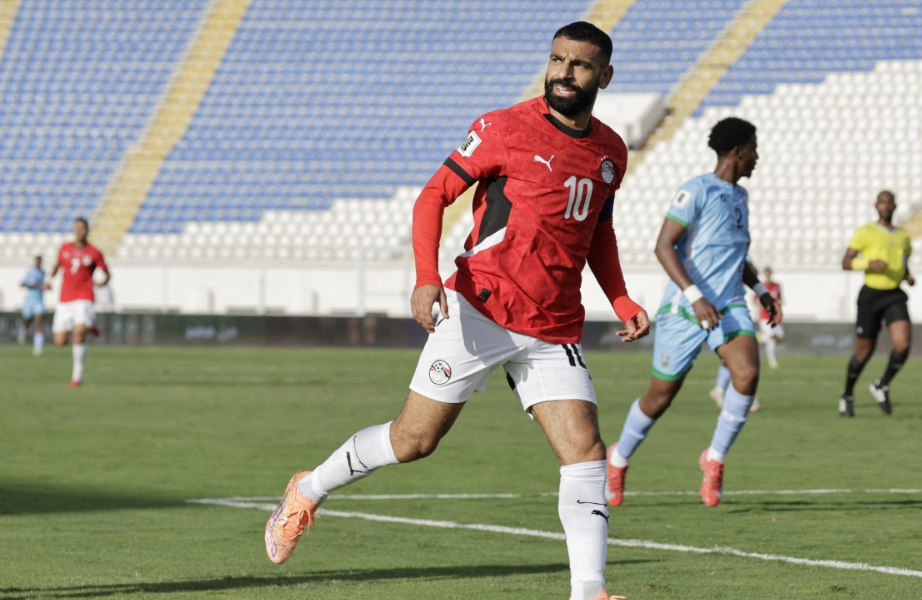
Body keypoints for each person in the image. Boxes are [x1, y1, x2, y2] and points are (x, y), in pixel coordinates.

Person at [264, 22, 648, 600]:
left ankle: (588, 591)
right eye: (557, 60)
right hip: (479, 308)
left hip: (553, 325)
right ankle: (307, 490)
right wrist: (426, 277)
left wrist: (620, 298)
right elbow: (432, 196)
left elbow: (598, 231)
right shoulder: (503, 127)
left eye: (580, 65)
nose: (564, 73)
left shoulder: (610, 151)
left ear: (605, 76)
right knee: (413, 441)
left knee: (585, 453)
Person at [605, 117, 781, 509]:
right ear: (737, 151)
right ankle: (618, 459)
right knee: (659, 398)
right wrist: (696, 296)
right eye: (754, 149)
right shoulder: (696, 190)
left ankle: (714, 459)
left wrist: (760, 291)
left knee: (747, 374)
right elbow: (663, 246)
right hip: (686, 309)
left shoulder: (741, 196)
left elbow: (735, 256)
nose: (757, 157)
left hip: (729, 303)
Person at [838, 190, 913, 417]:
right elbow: (846, 262)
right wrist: (869, 263)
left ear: (895, 206)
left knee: (903, 344)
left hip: (894, 294)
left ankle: (882, 384)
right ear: (876, 205)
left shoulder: (904, 237)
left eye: (889, 202)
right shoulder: (866, 232)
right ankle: (847, 394)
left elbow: (903, 262)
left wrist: (908, 275)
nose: (886, 205)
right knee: (864, 351)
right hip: (871, 294)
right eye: (882, 202)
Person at [51, 217, 110, 387]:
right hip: (65, 299)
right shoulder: (64, 248)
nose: (79, 231)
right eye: (77, 228)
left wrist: (102, 283)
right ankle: (89, 325)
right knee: (60, 342)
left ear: (87, 230)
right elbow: (57, 266)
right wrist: (49, 279)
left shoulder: (94, 252)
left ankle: (76, 377)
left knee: (78, 334)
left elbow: (107, 273)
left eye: (82, 228)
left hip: (84, 297)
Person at [756, 266, 783, 369]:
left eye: (769, 273)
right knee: (771, 340)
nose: (768, 276)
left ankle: (760, 337)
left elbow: (780, 299)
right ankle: (772, 362)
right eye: (766, 274)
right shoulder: (761, 287)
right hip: (765, 317)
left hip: (775, 317)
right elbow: (755, 299)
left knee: (780, 337)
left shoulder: (777, 286)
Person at [20, 255, 47, 355]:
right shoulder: (30, 271)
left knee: (39, 322)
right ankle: (24, 329)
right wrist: (31, 285)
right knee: (27, 320)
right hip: (29, 300)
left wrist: (46, 287)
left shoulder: (43, 272)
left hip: (39, 300)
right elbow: (22, 283)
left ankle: (38, 346)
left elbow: (43, 285)